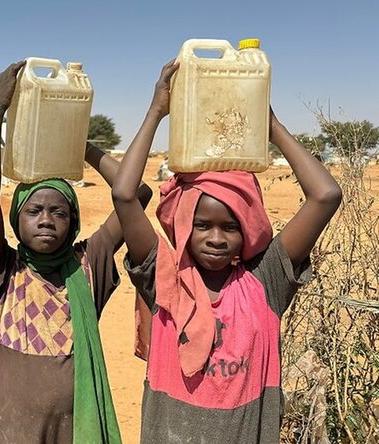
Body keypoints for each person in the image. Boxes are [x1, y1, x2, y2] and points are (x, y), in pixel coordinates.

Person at [110, 60, 342, 443]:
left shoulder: (264, 283)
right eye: (202, 225)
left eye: (230, 227)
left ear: (246, 231)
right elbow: (123, 194)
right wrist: (156, 112)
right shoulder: (165, 279)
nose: (216, 238)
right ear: (184, 226)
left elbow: (326, 195)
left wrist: (270, 127)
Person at [0, 61, 152, 443]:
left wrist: (80, 145)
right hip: (13, 432)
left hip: (76, 432)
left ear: (72, 222)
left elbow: (137, 195)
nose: (45, 220)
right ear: (16, 221)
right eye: (33, 211)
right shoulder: (4, 267)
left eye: (59, 211)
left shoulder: (89, 262)